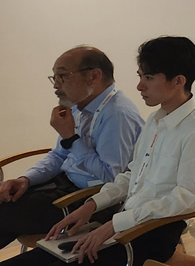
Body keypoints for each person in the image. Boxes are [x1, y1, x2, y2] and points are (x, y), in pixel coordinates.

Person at [0, 36, 195, 266]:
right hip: (123, 226)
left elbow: (186, 198)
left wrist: (114, 225)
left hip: (149, 237)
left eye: (148, 77)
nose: (139, 86)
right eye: (140, 76)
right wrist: (92, 205)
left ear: (178, 81)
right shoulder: (159, 119)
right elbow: (131, 174)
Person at [0, 47, 142, 249]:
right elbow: (59, 155)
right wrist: (26, 179)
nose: (56, 84)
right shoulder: (79, 107)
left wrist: (71, 138)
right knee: (6, 201)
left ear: (94, 76)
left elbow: (110, 178)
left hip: (92, 200)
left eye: (63, 76)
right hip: (64, 184)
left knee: (5, 214)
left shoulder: (118, 114)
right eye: (54, 77)